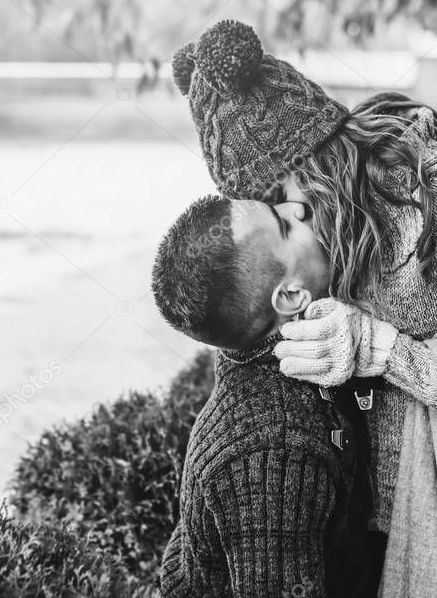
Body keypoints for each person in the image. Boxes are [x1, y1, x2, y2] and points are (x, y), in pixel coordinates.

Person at [170, 20, 437, 597]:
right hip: (356, 524)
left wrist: (380, 348)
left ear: (314, 161)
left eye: (282, 205)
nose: (296, 226)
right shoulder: (320, 244)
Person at [152, 195, 377, 597]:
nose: (299, 208)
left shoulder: (263, 359)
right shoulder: (274, 448)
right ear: (290, 297)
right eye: (285, 225)